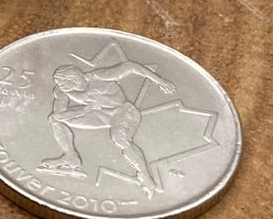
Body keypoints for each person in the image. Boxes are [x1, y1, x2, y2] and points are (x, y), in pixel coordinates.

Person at [39, 61, 175, 197]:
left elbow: (130, 67)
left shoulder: (99, 77)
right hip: (99, 115)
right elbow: (59, 114)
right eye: (59, 83)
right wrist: (86, 109)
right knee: (54, 119)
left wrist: (160, 81)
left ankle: (145, 175)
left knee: (120, 139)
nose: (61, 87)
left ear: (75, 79)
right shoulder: (61, 91)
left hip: (123, 112)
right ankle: (70, 156)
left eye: (63, 83)